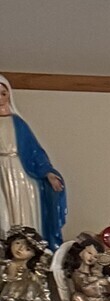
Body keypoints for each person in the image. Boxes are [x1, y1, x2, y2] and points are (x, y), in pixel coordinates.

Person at [0, 80, 65, 249]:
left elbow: (35, 153)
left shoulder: (18, 124)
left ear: (9, 95)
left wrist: (48, 173)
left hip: (20, 173)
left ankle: (28, 252)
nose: (0, 98)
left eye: (3, 93)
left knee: (23, 214)